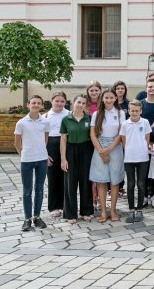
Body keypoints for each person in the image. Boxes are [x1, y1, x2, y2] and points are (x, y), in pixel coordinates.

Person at [89, 89, 126, 223]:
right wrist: (101, 151)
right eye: (106, 98)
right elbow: (93, 134)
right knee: (101, 180)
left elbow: (121, 133)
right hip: (99, 145)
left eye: (111, 97)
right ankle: (104, 211)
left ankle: (113, 210)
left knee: (114, 180)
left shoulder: (120, 113)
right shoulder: (97, 114)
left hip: (115, 147)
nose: (109, 100)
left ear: (115, 98)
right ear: (102, 99)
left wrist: (109, 150)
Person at [15, 95, 50, 231]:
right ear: (28, 104)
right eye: (33, 103)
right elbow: (17, 143)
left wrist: (41, 151)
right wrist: (23, 154)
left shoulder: (45, 122)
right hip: (27, 161)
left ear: (42, 106)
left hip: (41, 159)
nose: (36, 105)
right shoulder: (21, 123)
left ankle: (37, 217)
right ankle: (27, 219)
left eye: (38, 103)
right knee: (27, 191)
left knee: (40, 189)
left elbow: (45, 139)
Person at [60, 95, 94, 224]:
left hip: (86, 150)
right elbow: (63, 140)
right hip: (71, 150)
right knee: (70, 182)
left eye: (83, 103)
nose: (81, 105)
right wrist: (63, 159)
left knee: (85, 181)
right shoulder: (66, 119)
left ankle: (86, 211)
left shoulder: (89, 118)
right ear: (73, 103)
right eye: (78, 102)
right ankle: (70, 213)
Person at [120, 100, 151, 223]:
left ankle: (139, 209)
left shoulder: (145, 122)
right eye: (132, 110)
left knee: (141, 184)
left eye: (137, 111)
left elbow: (147, 139)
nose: (134, 113)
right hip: (129, 158)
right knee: (131, 184)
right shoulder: (125, 124)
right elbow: (123, 141)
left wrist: (143, 148)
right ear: (129, 110)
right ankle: (131, 209)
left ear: (140, 111)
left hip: (142, 157)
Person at [45, 92, 69, 218]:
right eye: (57, 101)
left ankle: (65, 204)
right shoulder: (46, 116)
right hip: (51, 147)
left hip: (67, 146)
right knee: (53, 177)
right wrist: (45, 153)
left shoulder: (69, 114)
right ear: (51, 101)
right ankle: (54, 206)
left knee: (66, 177)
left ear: (65, 102)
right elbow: (42, 137)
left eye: (62, 101)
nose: (59, 103)